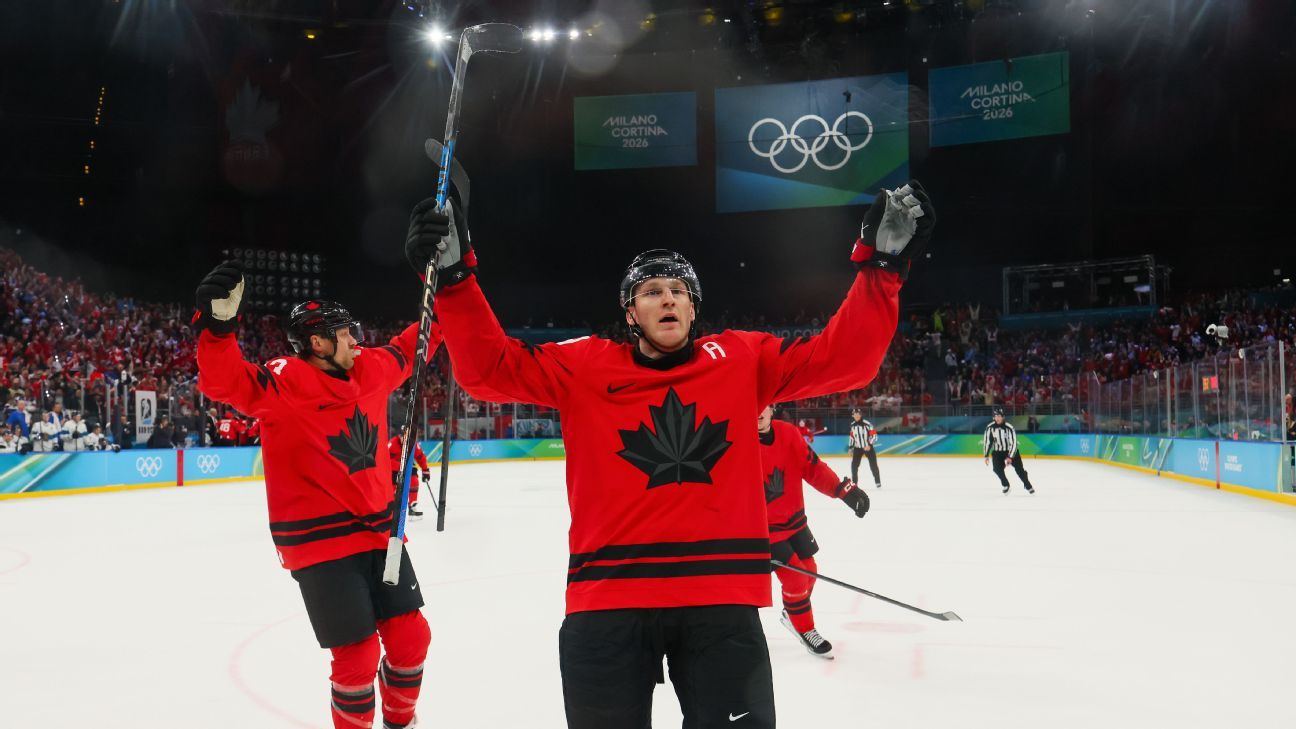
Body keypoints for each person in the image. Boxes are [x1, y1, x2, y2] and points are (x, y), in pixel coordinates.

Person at [406, 177, 934, 728]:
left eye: (679, 290)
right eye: (652, 290)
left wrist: (883, 269)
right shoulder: (583, 366)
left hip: (720, 601)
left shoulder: (739, 359)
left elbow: (847, 360)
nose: (668, 298)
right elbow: (488, 371)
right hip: (607, 600)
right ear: (630, 312)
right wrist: (454, 280)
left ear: (693, 306)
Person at [194, 260, 441, 729]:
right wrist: (218, 328)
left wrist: (442, 281)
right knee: (358, 655)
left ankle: (401, 722)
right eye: (345, 334)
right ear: (318, 342)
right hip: (319, 544)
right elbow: (224, 383)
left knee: (412, 638)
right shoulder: (283, 382)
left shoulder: (371, 368)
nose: (355, 340)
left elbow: (419, 340)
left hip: (379, 532)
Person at [758, 404, 867, 659]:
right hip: (763, 529)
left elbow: (813, 468)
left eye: (762, 407)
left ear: (772, 408)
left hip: (794, 521)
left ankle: (792, 613)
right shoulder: (738, 441)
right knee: (795, 579)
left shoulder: (788, 434)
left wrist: (844, 491)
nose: (757, 413)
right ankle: (805, 628)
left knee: (810, 570)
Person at [983, 407, 1035, 494]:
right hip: (998, 452)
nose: (997, 418)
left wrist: (1010, 456)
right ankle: (1006, 485)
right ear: (993, 417)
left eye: (999, 416)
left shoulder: (1009, 427)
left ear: (1003, 417)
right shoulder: (990, 427)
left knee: (1020, 470)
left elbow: (1013, 443)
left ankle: (1028, 485)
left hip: (1011, 450)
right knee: (996, 469)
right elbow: (988, 441)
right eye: (996, 416)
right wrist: (986, 455)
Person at [388, 432, 431, 520]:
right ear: (399, 436)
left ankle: (412, 507)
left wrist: (425, 471)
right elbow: (384, 460)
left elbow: (420, 457)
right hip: (392, 469)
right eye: (403, 436)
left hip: (406, 467)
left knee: (414, 479)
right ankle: (390, 510)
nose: (405, 439)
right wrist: (399, 466)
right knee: (392, 489)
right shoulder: (391, 444)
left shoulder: (413, 444)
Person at [847, 408, 881, 488]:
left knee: (873, 465)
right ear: (852, 416)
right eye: (855, 414)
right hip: (857, 448)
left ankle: (878, 482)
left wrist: (869, 444)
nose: (856, 416)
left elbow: (875, 436)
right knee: (854, 466)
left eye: (858, 414)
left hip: (868, 448)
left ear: (861, 415)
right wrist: (850, 447)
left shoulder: (867, 424)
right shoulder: (852, 425)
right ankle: (854, 484)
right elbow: (852, 437)